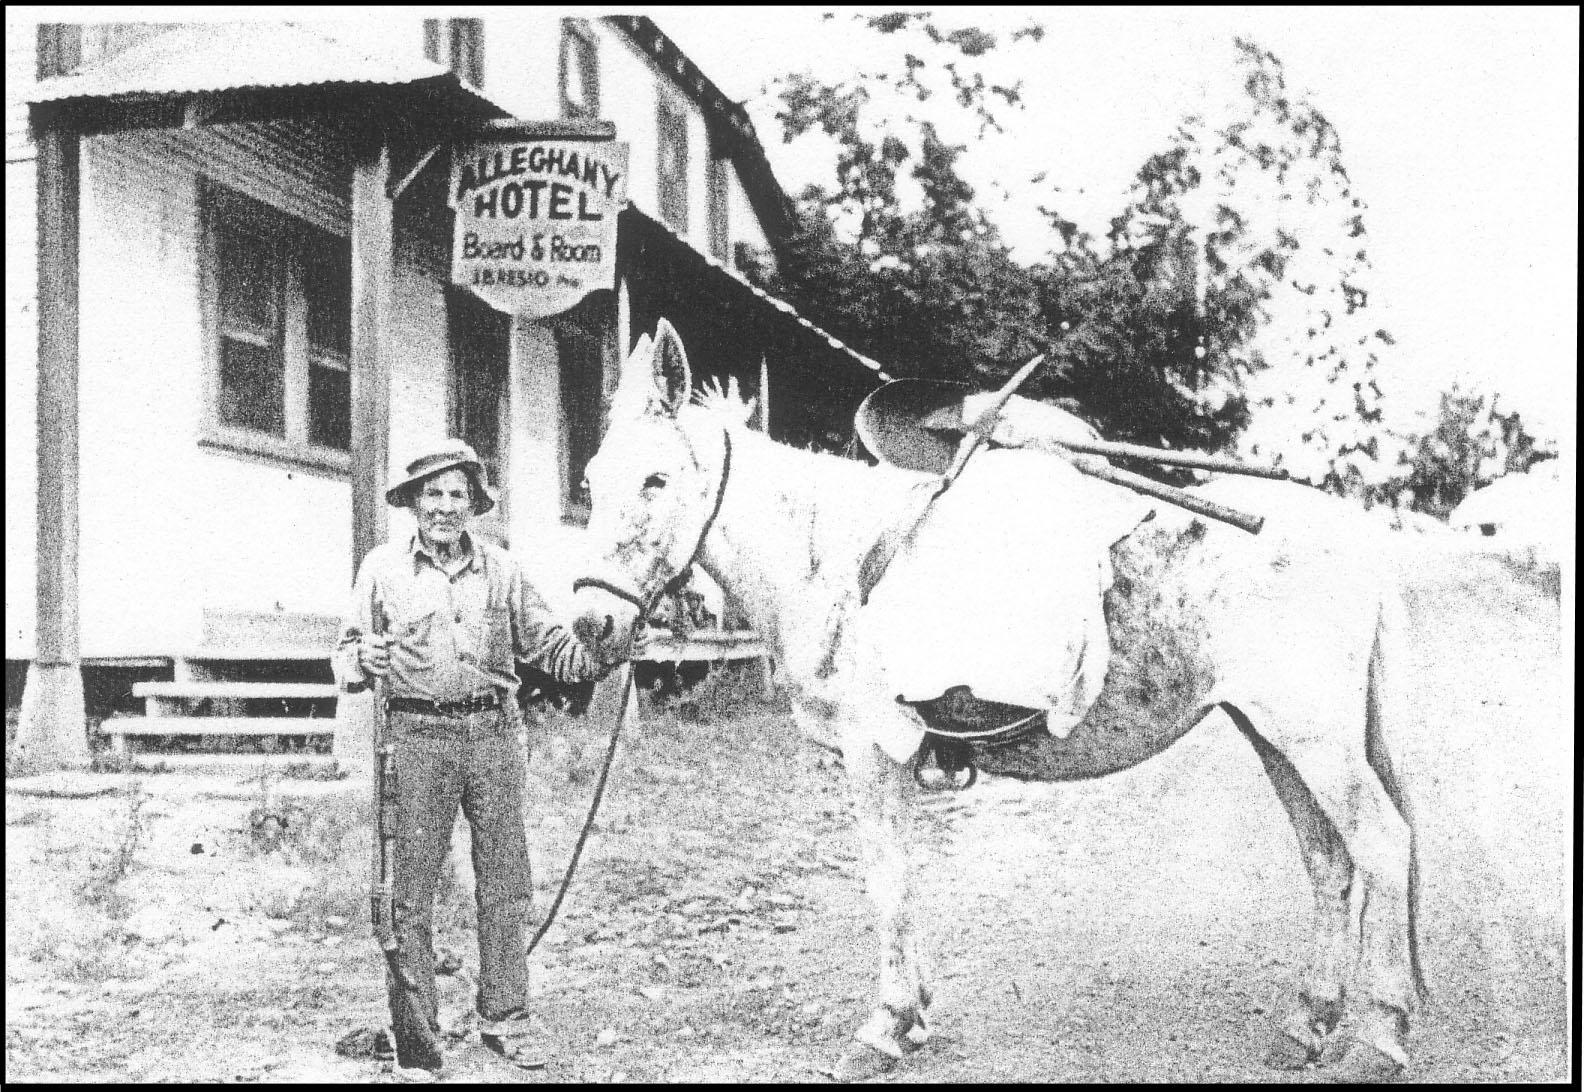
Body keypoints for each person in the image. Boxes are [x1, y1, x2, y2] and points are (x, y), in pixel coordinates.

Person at [335, 439, 606, 1078]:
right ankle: (418, 1042)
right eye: (434, 493)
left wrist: (606, 650)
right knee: (409, 892)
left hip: (493, 736)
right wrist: (360, 660)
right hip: (416, 739)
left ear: (474, 504)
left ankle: (505, 1020)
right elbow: (345, 652)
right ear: (414, 502)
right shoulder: (381, 569)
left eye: (459, 494)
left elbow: (552, 650)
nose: (446, 506)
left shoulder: (503, 571)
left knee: (506, 881)